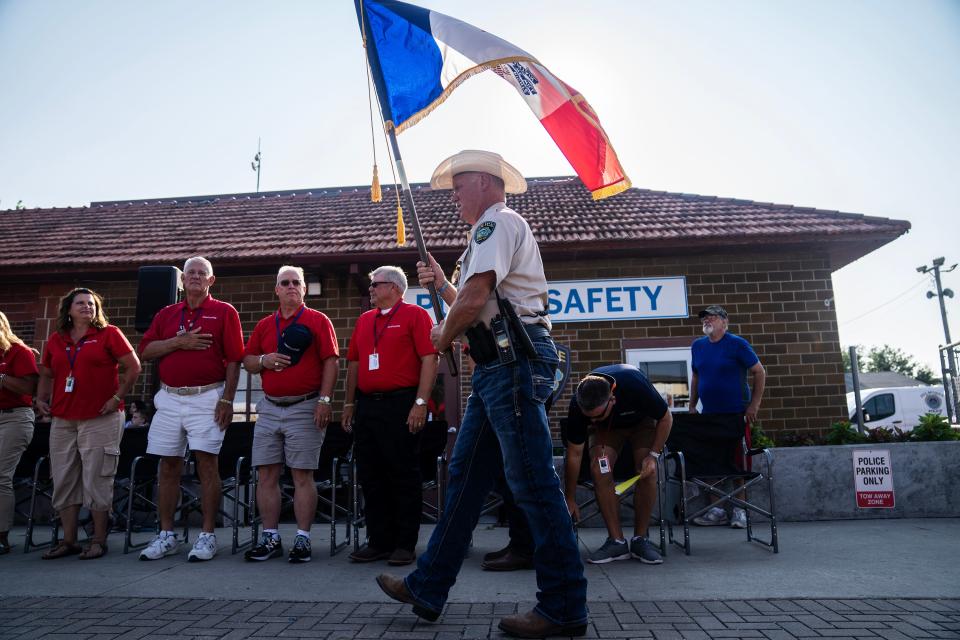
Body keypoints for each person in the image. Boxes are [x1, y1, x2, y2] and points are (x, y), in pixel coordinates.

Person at [377, 150, 588, 639]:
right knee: (466, 479)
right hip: (501, 364)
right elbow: (475, 299)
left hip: (511, 363)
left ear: (487, 183)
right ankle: (428, 585)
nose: (453, 196)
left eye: (458, 185)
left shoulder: (496, 224)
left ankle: (563, 605)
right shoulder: (492, 232)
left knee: (532, 481)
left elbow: (474, 303)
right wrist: (443, 284)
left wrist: (441, 334)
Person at [137, 256, 244, 562]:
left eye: (202, 273)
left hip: (208, 396)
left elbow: (235, 360)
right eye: (190, 273)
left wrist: (228, 400)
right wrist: (178, 342)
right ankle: (167, 535)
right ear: (182, 281)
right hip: (169, 398)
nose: (195, 277)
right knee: (167, 466)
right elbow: (146, 351)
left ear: (211, 281)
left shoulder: (225, 312)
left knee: (206, 465)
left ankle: (208, 536)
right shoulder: (167, 314)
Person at [241, 265, 339, 563]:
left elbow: (331, 362)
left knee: (301, 475)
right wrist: (263, 360)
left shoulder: (318, 320)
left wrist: (324, 400)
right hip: (270, 407)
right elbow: (246, 360)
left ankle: (303, 539)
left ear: (304, 289)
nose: (291, 286)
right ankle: (270, 538)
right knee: (266, 474)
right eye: (285, 283)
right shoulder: (264, 325)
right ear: (277, 290)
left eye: (297, 282)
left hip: (305, 405)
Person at [35, 289, 142, 560]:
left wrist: (117, 397)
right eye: (80, 303)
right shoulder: (56, 340)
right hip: (63, 419)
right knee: (63, 478)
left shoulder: (109, 334)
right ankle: (68, 540)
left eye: (91, 304)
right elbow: (46, 372)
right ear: (68, 310)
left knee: (97, 478)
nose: (87, 307)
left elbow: (134, 367)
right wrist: (41, 398)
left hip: (101, 417)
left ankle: (98, 540)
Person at [343, 266, 438, 567]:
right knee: (371, 476)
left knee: (403, 474)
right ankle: (379, 542)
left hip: (401, 404)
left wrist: (420, 403)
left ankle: (404, 544)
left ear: (395, 288)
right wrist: (348, 404)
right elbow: (354, 365)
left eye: (375, 285)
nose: (370, 289)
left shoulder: (415, 315)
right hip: (368, 406)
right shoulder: (364, 320)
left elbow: (429, 358)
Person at [563, 365, 672, 565]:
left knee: (646, 470)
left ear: (612, 399)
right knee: (599, 468)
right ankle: (616, 542)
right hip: (607, 430)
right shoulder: (579, 406)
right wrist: (569, 498)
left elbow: (666, 418)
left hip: (641, 423)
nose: (592, 420)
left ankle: (640, 539)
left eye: (597, 415)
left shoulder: (635, 385)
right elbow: (574, 454)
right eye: (589, 417)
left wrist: (653, 456)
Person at [688, 304, 766, 528]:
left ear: (724, 321)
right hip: (709, 414)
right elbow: (696, 376)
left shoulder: (737, 344)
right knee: (712, 462)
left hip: (736, 413)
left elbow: (759, 371)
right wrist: (693, 405)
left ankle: (740, 511)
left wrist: (754, 405)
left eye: (712, 317)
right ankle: (717, 510)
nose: (707, 321)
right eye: (704, 318)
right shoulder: (698, 346)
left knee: (737, 461)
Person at [0, 311, 40, 555]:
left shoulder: (18, 351)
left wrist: (2, 378)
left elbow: (29, 387)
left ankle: (2, 536)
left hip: (13, 417)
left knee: (0, 476)